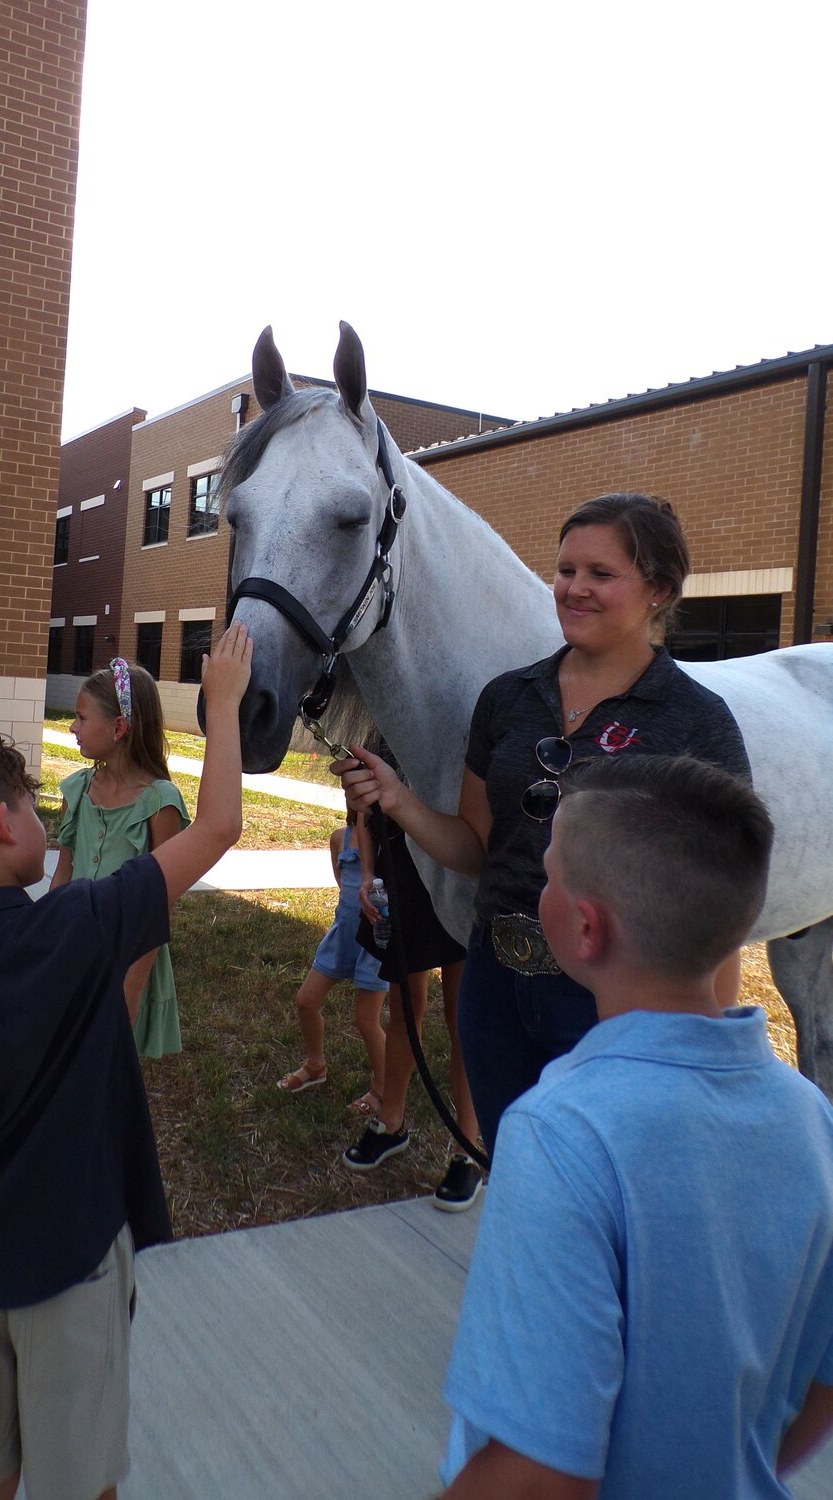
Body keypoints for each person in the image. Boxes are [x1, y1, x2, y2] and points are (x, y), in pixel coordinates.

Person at [0, 623, 253, 1500]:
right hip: (72, 1263)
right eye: (31, 805)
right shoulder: (81, 927)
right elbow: (221, 826)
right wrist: (225, 705)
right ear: (4, 823)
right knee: (77, 1477)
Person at [437, 753, 833, 1498]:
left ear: (586, 929)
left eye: (550, 874)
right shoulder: (814, 1119)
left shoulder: (559, 1136)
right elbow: (825, 1384)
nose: (541, 883)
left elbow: (536, 1476)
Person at [340, 492, 750, 1155]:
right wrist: (398, 801)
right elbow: (476, 849)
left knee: (613, 1183)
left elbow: (719, 916)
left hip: (614, 1004)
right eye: (564, 571)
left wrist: (698, 1045)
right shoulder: (509, 698)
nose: (573, 589)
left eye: (600, 573)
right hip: (495, 992)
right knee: (519, 1169)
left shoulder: (697, 723)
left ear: (659, 590)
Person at [342, 799, 479, 1212]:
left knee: (462, 1016)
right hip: (403, 877)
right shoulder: (387, 737)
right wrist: (368, 873)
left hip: (456, 877)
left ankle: (468, 1149)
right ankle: (391, 1122)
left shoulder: (467, 737)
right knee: (402, 1007)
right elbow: (363, 811)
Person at [51, 657, 187, 1058]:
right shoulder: (77, 790)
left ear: (119, 727)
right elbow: (62, 876)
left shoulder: (160, 803)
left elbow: (159, 905)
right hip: (76, 948)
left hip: (129, 960)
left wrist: (131, 990)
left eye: (80, 717)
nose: (72, 727)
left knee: (112, 1070)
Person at [276, 810, 388, 1113]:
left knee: (366, 1019)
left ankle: (382, 1089)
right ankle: (315, 1065)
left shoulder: (385, 843)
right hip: (342, 936)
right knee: (305, 1001)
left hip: (374, 941)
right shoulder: (339, 838)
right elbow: (343, 884)